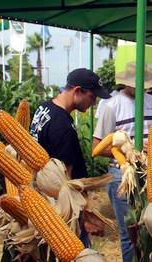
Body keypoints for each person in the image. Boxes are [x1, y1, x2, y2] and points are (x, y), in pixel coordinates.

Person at [92, 62, 152, 262]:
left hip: (150, 172)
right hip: (122, 174)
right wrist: (128, 149)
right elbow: (97, 146)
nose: (138, 86)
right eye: (133, 81)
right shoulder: (111, 105)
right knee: (129, 232)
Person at [30, 68, 111, 247]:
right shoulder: (62, 126)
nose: (94, 101)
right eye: (92, 96)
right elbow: (65, 181)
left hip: (43, 202)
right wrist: (84, 218)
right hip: (63, 211)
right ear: (77, 91)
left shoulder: (44, 108)